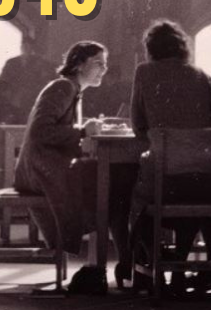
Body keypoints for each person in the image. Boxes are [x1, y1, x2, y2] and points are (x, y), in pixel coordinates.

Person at [14, 41, 135, 295]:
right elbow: (41, 131)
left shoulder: (71, 89)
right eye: (98, 63)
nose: (104, 69)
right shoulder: (63, 87)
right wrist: (82, 130)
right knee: (114, 187)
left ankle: (124, 261)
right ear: (79, 64)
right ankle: (126, 261)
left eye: (106, 64)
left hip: (44, 167)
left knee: (111, 185)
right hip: (39, 170)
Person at [130, 19, 211, 292]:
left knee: (133, 191)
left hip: (166, 184)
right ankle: (189, 266)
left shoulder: (144, 72)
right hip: (206, 183)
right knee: (197, 187)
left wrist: (159, 138)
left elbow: (137, 125)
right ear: (182, 48)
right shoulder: (199, 74)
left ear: (151, 49)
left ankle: (145, 265)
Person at [0, 37, 56, 123]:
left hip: (34, 99)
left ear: (33, 48)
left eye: (29, 46)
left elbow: (47, 80)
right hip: (14, 100)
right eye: (24, 45)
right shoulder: (11, 62)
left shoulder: (41, 63)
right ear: (21, 47)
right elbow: (4, 80)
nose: (26, 48)